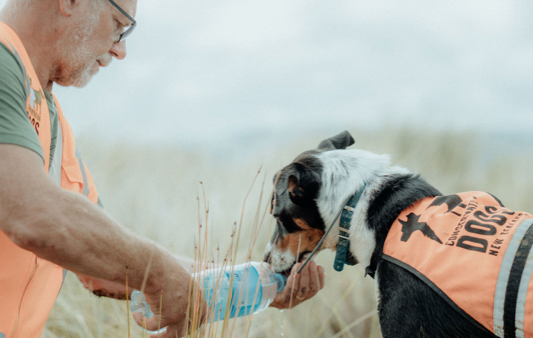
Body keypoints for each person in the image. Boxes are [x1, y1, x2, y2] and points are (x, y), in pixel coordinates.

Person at [0, 0, 325, 337]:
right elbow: (32, 214)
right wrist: (158, 272)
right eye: (118, 25)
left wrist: (261, 283)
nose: (121, 49)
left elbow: (102, 265)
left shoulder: (52, 122)